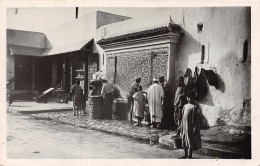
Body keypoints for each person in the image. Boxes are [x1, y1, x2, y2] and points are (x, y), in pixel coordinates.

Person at [179, 92, 202, 159]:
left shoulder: (194, 107)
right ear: (186, 98)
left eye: (190, 97)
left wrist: (195, 126)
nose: (189, 99)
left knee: (190, 139)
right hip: (184, 125)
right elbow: (183, 116)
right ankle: (185, 154)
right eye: (188, 97)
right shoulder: (185, 106)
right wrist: (181, 125)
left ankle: (190, 155)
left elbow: (197, 119)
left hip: (190, 126)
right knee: (184, 138)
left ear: (193, 98)